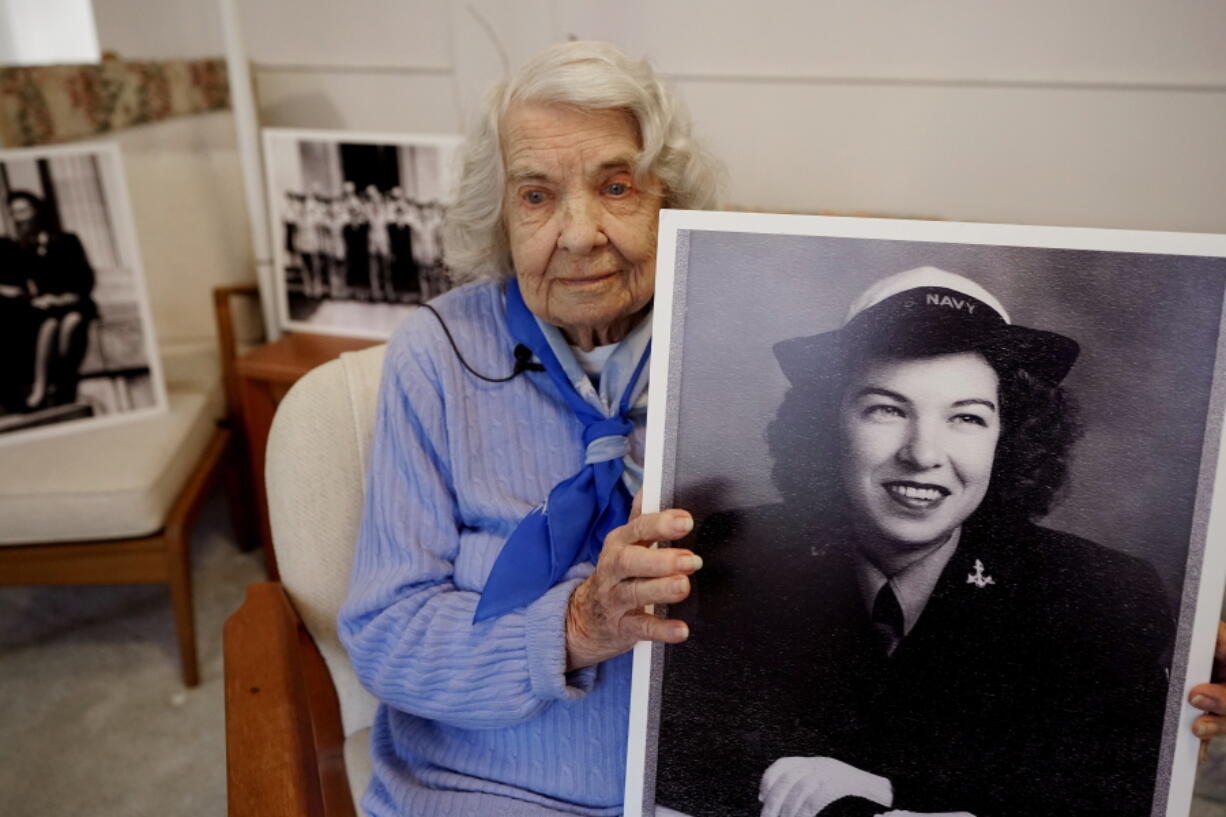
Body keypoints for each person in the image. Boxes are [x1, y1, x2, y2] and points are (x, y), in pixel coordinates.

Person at [337, 40, 722, 817]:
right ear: (501, 216)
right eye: (537, 196)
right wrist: (578, 625)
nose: (579, 235)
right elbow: (387, 634)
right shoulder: (437, 356)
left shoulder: (731, 343)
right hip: (482, 790)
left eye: (617, 185)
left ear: (668, 203)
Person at [656, 267, 1176, 817]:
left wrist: (890, 792)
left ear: (1009, 439)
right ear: (826, 423)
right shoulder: (725, 554)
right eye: (887, 409)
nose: (923, 453)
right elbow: (678, 754)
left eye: (967, 418)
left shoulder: (1104, 594)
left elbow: (1119, 791)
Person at [8, 190, 98, 409]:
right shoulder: (21, 250)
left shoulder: (68, 240)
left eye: (23, 210)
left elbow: (86, 276)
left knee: (72, 322)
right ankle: (41, 388)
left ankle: (61, 382)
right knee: (49, 325)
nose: (19, 218)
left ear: (36, 211)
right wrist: (35, 299)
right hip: (47, 308)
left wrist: (67, 297)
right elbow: (24, 286)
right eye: (14, 213)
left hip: (73, 301)